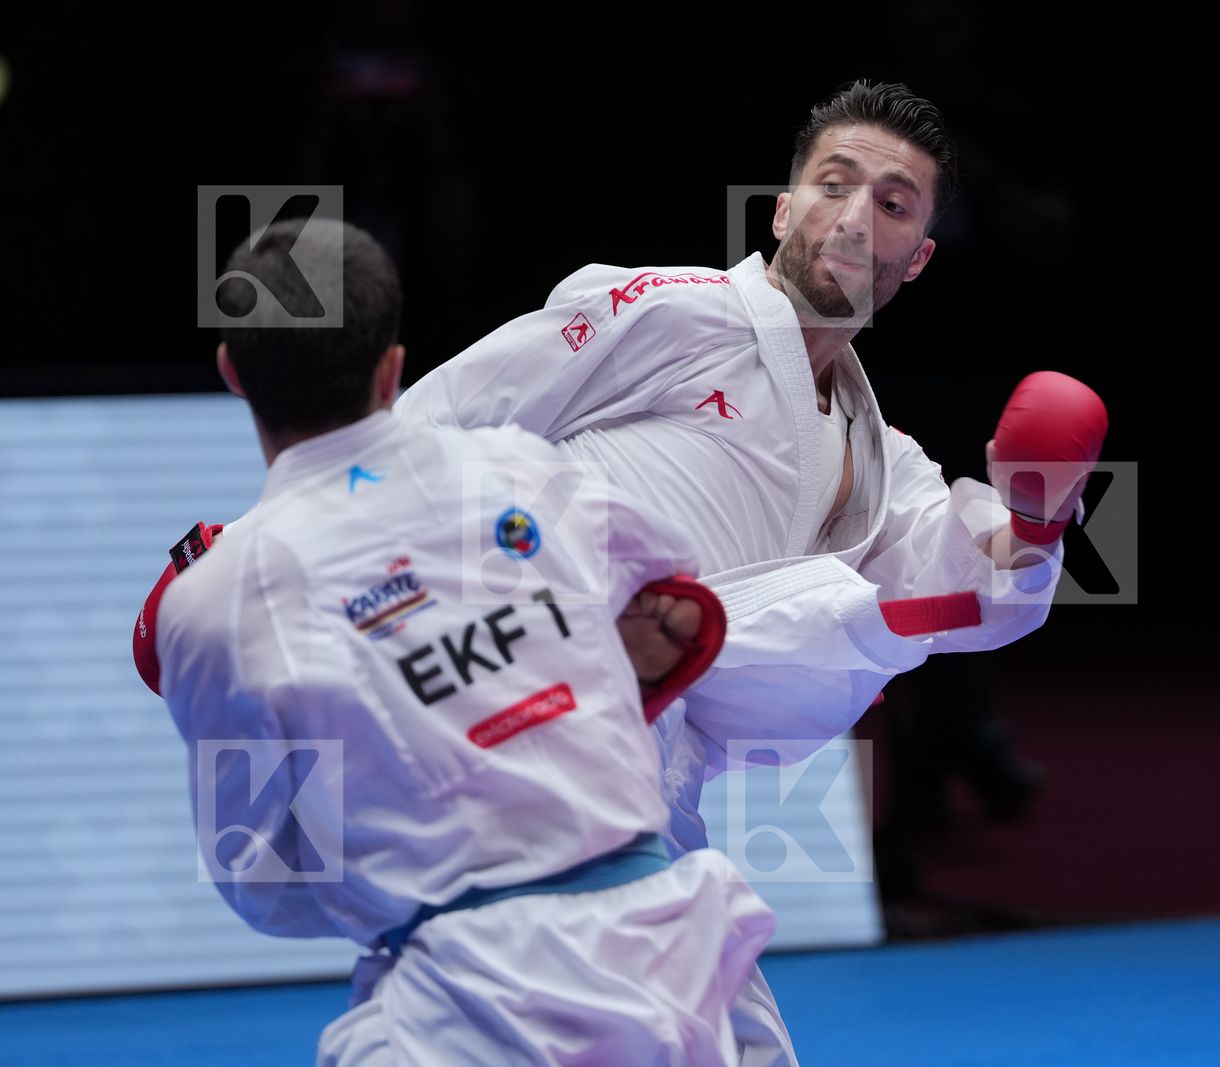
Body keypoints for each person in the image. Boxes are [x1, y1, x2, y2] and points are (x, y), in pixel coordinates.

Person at [394, 79, 1108, 1065]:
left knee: (729, 1043)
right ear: (782, 207)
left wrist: (1035, 521)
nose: (856, 218)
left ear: (918, 259)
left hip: (655, 794)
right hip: (537, 740)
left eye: (893, 204)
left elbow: (966, 585)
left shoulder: (875, 451)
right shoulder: (662, 310)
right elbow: (426, 427)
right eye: (833, 183)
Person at [138, 218, 776, 1065]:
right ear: (393, 365)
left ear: (231, 373)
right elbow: (675, 590)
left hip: (467, 1006)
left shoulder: (212, 597)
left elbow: (251, 875)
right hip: (678, 957)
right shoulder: (523, 469)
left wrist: (398, 830)